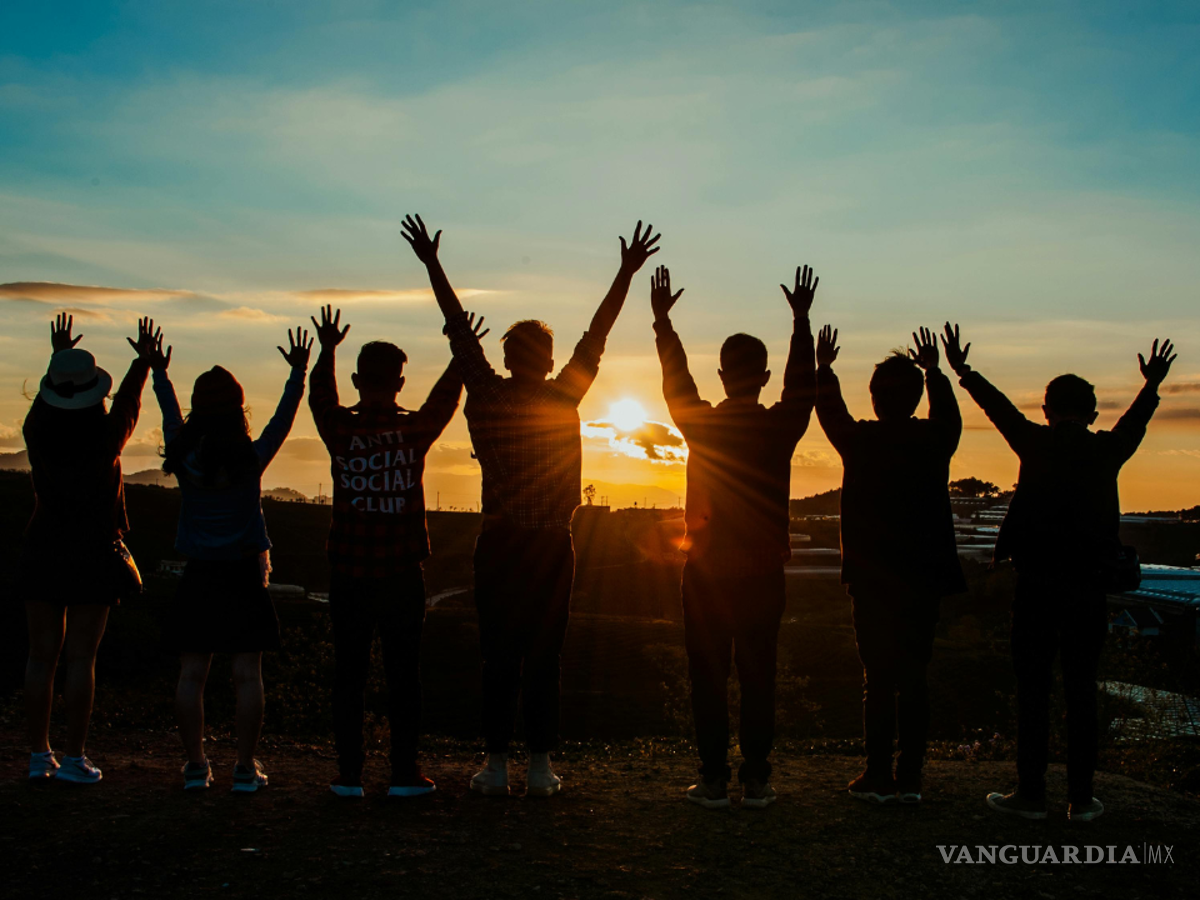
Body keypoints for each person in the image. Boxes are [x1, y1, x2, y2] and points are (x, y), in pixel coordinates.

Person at [401, 213, 660, 797]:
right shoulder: (563, 394)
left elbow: (457, 329)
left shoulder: (487, 393)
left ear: (508, 355)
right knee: (545, 655)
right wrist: (624, 272)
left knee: (498, 655)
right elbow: (598, 333)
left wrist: (432, 264)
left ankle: (495, 764)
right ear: (545, 359)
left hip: (500, 543)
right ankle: (540, 766)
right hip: (548, 546)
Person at [943, 324, 1176, 823]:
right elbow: (1135, 422)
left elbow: (998, 408)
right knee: (1081, 689)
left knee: (1033, 690)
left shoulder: (1035, 443)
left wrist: (964, 371)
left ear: (1045, 410)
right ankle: (1082, 798)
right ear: (1093, 413)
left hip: (1036, 587)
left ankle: (1030, 794)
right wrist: (1151, 385)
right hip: (1089, 589)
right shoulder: (1105, 450)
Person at [652, 262, 817, 809]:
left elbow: (677, 384)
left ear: (722, 376)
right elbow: (803, 388)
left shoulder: (702, 424)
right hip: (764, 573)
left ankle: (715, 779)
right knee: (758, 677)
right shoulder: (779, 426)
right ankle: (757, 779)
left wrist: (663, 326)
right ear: (763, 376)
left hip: (704, 573)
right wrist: (801, 322)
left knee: (708, 678)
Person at [308, 305, 481, 799]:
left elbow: (320, 395)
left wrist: (325, 349)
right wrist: (460, 352)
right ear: (400, 383)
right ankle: (404, 773)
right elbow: (446, 399)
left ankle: (348, 775)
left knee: (350, 675)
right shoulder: (413, 431)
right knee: (405, 676)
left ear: (358, 380)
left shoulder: (339, 431)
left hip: (348, 572)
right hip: (403, 573)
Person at [152, 326, 313, 793]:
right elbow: (283, 420)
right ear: (238, 409)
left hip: (198, 573)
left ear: (198, 409)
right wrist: (298, 374)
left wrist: (159, 372)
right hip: (245, 573)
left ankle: (196, 767)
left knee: (192, 672)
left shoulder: (184, 456)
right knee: (247, 675)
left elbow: (168, 412)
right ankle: (245, 767)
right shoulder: (250, 457)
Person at [814, 325, 965, 805]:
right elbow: (949, 415)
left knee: (876, 678)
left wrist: (824, 369)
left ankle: (877, 775)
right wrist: (936, 372)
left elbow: (830, 411)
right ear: (917, 397)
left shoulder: (861, 441)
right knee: (914, 677)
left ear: (875, 398)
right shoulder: (935, 440)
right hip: (923, 578)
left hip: (873, 579)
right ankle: (911, 778)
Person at [20, 314, 159, 784]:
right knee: (82, 657)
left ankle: (39, 755)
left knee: (41, 656)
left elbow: (49, 401)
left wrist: (57, 357)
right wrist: (142, 361)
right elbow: (129, 405)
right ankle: (75, 756)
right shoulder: (105, 438)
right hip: (93, 549)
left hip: (43, 545)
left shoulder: (37, 432)